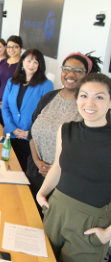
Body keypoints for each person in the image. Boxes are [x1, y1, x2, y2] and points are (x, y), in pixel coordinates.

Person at [37, 73, 111, 262]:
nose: (90, 103)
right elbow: (58, 167)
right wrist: (42, 193)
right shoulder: (66, 129)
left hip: (90, 224)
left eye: (99, 97)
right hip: (56, 210)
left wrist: (108, 233)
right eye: (84, 95)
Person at [27, 52, 102, 214]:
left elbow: (84, 151)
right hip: (34, 171)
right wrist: (37, 161)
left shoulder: (87, 108)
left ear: (87, 75)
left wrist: (55, 168)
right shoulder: (49, 97)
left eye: (78, 70)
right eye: (66, 68)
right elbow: (32, 131)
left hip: (63, 184)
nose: (70, 74)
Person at [1, 48, 53, 172]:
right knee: (7, 168)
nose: (31, 65)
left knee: (23, 174)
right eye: (29, 61)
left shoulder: (46, 84)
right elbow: (5, 106)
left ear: (40, 65)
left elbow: (47, 113)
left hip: (30, 140)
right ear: (22, 62)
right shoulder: (12, 82)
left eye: (36, 62)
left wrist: (30, 132)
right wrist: (12, 127)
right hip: (11, 135)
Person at [0, 35, 22, 125]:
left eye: (15, 47)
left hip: (13, 107)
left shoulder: (23, 65)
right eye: (9, 47)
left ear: (21, 48)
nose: (11, 50)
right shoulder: (3, 62)